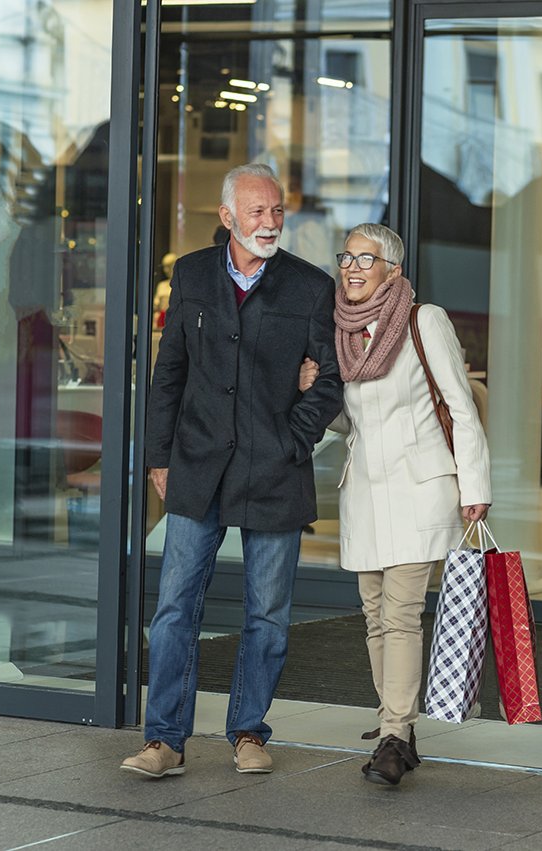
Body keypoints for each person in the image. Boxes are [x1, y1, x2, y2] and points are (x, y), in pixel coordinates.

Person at [122, 164, 344, 779]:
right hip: (196, 466)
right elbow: (170, 374)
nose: (270, 222)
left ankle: (249, 731)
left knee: (267, 612)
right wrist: (159, 457)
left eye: (277, 211)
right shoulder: (191, 274)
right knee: (173, 608)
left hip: (274, 471)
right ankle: (163, 740)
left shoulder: (309, 287)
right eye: (257, 212)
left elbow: (329, 380)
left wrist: (291, 443)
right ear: (227, 217)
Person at [299, 223, 491, 786]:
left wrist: (474, 487)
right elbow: (350, 419)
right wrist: (312, 391)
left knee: (402, 613)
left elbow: (460, 405)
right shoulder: (342, 331)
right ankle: (399, 728)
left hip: (420, 486)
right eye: (347, 257)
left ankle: (392, 732)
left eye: (367, 258)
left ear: (393, 271)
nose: (352, 268)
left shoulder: (421, 320)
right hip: (364, 491)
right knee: (374, 616)